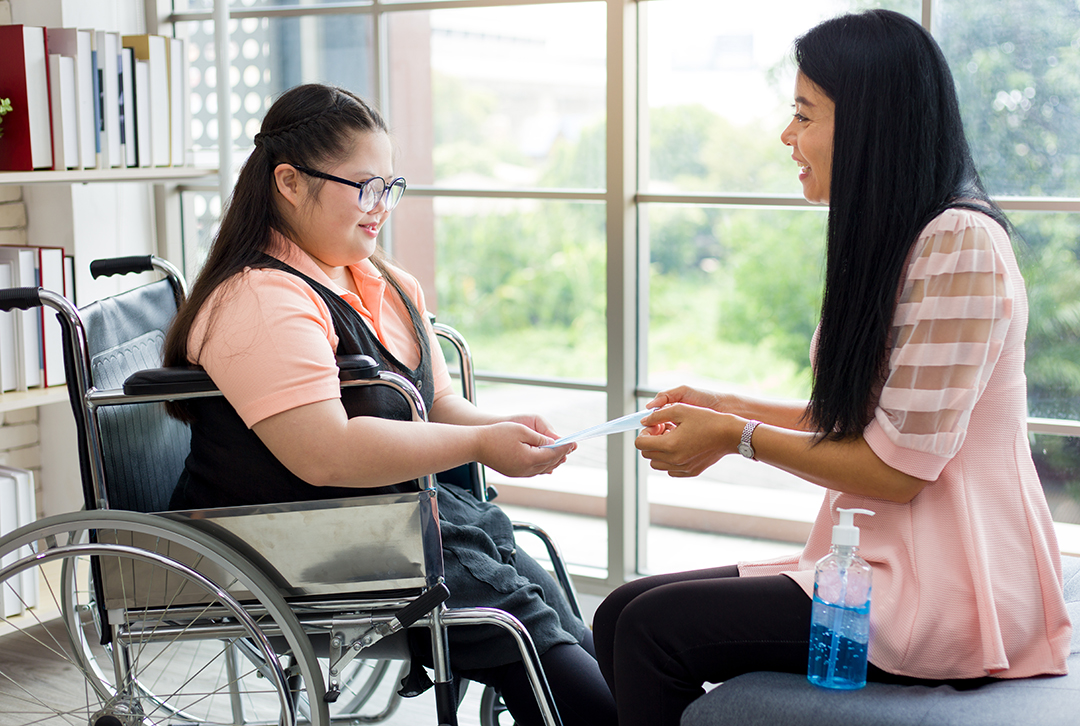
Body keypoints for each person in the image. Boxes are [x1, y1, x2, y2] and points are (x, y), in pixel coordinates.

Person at [593, 10, 1073, 726]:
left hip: (947, 590)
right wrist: (725, 405)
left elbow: (897, 470)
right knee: (621, 611)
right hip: (883, 567)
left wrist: (734, 437)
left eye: (804, 114)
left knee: (647, 630)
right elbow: (870, 418)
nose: (788, 137)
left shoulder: (959, 243)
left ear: (872, 121)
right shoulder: (898, 237)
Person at [163, 83, 616, 726]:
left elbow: (434, 404)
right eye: (363, 186)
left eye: (389, 186)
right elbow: (325, 453)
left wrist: (504, 428)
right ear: (290, 183)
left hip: (393, 524)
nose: (381, 207)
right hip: (296, 538)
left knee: (552, 613)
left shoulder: (379, 278)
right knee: (527, 630)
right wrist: (483, 446)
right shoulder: (260, 299)